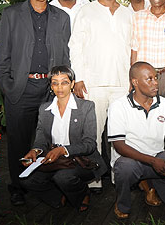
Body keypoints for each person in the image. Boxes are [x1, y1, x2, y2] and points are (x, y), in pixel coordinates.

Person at [0, 0, 71, 206]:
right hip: (20, 87)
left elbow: (65, 54)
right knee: (18, 141)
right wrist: (8, 87)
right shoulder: (12, 15)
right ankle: (17, 187)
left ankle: (41, 182)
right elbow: (3, 56)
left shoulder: (61, 17)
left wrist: (62, 85)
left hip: (50, 89)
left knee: (46, 140)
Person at [108, 62, 165, 219]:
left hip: (157, 158)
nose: (155, 83)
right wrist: (152, 162)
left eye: (156, 78)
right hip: (130, 160)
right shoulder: (118, 106)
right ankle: (123, 203)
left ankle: (154, 190)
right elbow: (119, 146)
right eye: (149, 79)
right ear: (135, 82)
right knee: (123, 169)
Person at [69, 0, 132, 191]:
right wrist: (78, 78)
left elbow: (132, 47)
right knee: (93, 134)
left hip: (122, 83)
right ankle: (93, 178)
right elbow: (75, 46)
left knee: (119, 134)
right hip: (93, 83)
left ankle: (119, 175)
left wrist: (131, 78)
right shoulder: (87, 11)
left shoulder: (127, 13)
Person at [20, 66, 107, 211]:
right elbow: (41, 139)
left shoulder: (86, 107)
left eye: (64, 82)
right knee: (27, 180)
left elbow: (90, 144)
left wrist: (63, 150)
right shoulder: (44, 109)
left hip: (82, 160)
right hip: (55, 160)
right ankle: (59, 197)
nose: (59, 87)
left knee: (63, 177)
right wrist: (35, 151)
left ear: (72, 84)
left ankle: (82, 193)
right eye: (55, 83)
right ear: (51, 86)